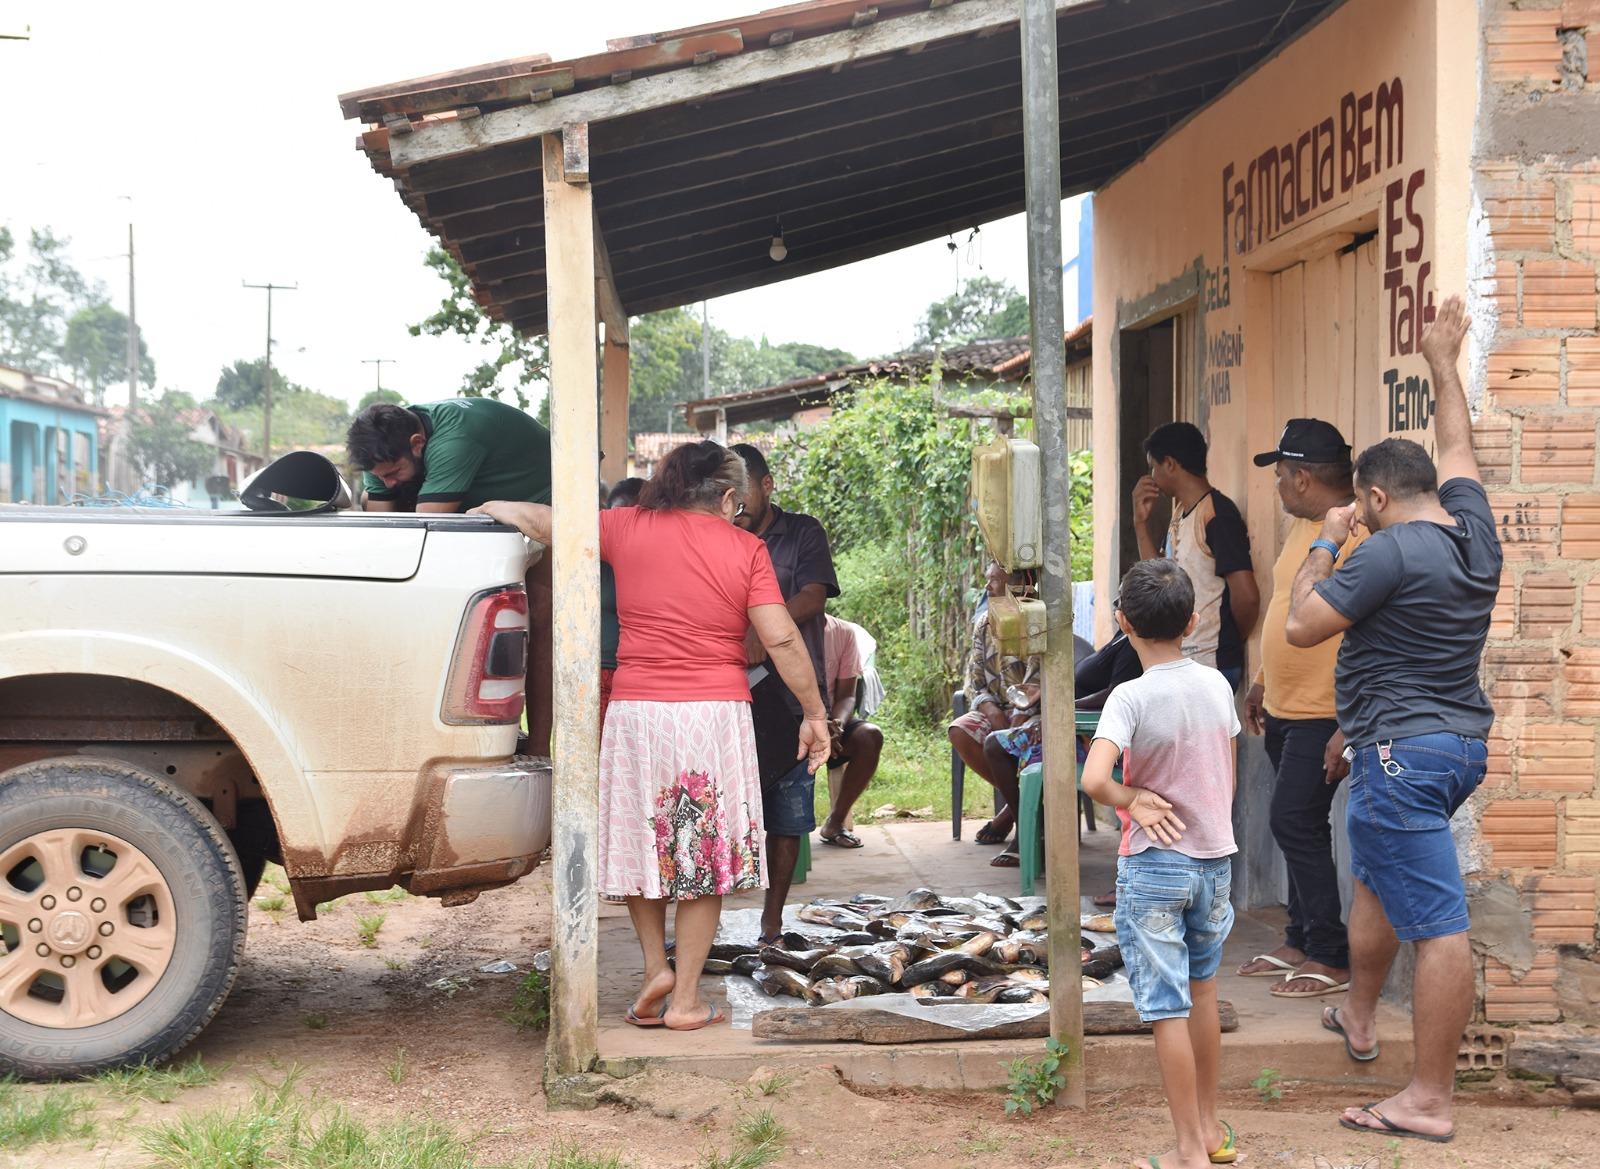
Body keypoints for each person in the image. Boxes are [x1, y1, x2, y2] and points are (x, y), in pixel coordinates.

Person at [470, 441, 830, 1032]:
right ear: (730, 497)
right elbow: (783, 639)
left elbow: (540, 519)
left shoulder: (626, 526)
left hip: (638, 712)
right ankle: (685, 999)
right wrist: (815, 713)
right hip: (713, 715)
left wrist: (486, 504)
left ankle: (651, 968)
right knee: (702, 855)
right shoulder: (746, 548)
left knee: (647, 839)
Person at [1285, 296, 1498, 1144]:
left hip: (1402, 754)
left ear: (1373, 495)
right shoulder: (1472, 534)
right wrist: (1442, 361)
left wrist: (1327, 542)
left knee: (1439, 927)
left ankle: (1430, 1098)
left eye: (1361, 505)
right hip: (1451, 746)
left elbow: (1302, 623)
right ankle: (1362, 1016)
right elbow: (1460, 449)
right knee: (1377, 874)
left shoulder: (1382, 551)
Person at [1080, 558, 1241, 1169]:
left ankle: (1185, 1154)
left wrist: (1133, 799)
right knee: (1203, 991)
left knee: (1167, 1008)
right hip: (1213, 863)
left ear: (1122, 622)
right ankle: (1206, 1130)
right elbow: (1225, 768)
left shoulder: (1130, 696)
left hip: (1154, 867)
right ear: (1193, 620)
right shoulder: (1217, 685)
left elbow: (1096, 778)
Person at [1233, 419, 1365, 999]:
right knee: (1297, 826)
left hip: (1325, 712)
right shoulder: (1306, 529)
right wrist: (1262, 679)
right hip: (1286, 706)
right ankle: (1301, 938)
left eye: (1281, 475)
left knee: (1293, 820)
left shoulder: (1358, 536)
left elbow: (1369, 635)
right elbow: (1289, 607)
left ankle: (1332, 956)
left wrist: (1349, 722)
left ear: (1304, 477)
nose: (1277, 486)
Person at [347, 398, 555, 756]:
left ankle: (538, 750)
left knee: (538, 621)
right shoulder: (381, 456)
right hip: (482, 511)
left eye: (394, 473)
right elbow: (390, 538)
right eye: (381, 476)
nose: (388, 482)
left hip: (544, 505)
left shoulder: (456, 439)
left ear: (417, 444)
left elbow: (427, 533)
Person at [730, 443, 839, 945]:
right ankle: (704, 921)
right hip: (732, 695)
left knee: (789, 815)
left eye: (743, 493)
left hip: (794, 694)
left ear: (767, 485)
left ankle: (772, 922)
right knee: (720, 810)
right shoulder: (718, 534)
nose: (735, 504)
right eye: (726, 495)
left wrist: (766, 630)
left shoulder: (803, 533)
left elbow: (813, 596)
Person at [1131, 421, 1259, 688]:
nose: (1152, 476)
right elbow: (1157, 579)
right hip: (1186, 661)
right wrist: (1140, 523)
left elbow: (1246, 597)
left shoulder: (1217, 514)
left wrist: (1229, 641)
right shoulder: (1181, 512)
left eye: (1153, 466)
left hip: (1211, 663)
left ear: (1169, 464)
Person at [948, 560, 1040, 849]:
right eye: (988, 579)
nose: (987, 587)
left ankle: (1015, 817)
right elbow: (975, 681)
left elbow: (1042, 680)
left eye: (995, 581)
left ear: (1018, 586)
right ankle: (1016, 809)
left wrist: (1021, 711)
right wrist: (989, 709)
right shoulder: (984, 623)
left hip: (1036, 710)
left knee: (1021, 733)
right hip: (997, 707)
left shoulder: (1039, 620)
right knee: (960, 730)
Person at [816, 614, 884, 849]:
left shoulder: (843, 633)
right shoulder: (775, 629)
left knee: (869, 737)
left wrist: (836, 725)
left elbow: (847, 695)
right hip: (790, 725)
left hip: (830, 722)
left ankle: (835, 822)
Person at [599, 478, 645, 727]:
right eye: (617, 517)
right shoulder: (594, 560)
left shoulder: (656, 562)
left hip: (640, 675)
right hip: (599, 670)